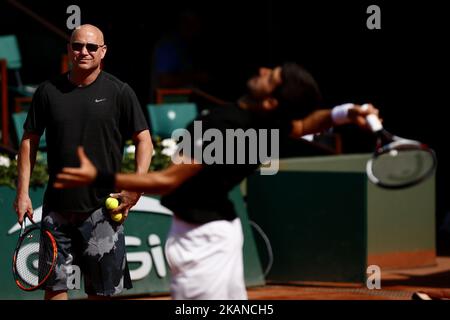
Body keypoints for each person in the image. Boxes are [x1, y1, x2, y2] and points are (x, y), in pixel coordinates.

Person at [53, 63, 379, 300]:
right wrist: (346, 112)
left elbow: (168, 179)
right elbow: (306, 123)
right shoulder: (267, 124)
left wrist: (100, 176)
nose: (263, 70)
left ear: (270, 102)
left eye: (272, 77)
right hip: (219, 233)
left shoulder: (223, 125)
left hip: (202, 243)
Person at [13, 24, 153, 300]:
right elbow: (28, 140)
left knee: (101, 293)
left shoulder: (120, 92)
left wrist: (135, 187)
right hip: (56, 208)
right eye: (77, 46)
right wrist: (22, 193)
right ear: (69, 50)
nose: (84, 51)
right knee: (55, 289)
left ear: (103, 52)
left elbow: (144, 140)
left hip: (101, 210)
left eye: (91, 47)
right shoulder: (47, 92)